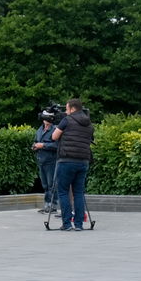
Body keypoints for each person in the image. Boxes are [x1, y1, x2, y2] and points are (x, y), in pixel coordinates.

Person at [50, 98, 94, 231]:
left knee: (63, 192)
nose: (66, 111)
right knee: (78, 192)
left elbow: (54, 136)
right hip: (83, 161)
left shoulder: (67, 120)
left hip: (67, 160)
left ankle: (67, 223)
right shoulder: (89, 123)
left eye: (67, 109)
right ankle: (79, 224)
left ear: (72, 109)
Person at [32, 105, 60, 213]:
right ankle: (47, 205)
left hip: (51, 161)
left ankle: (53, 206)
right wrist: (34, 146)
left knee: (52, 184)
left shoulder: (55, 130)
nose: (46, 121)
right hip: (41, 160)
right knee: (45, 185)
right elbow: (35, 141)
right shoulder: (39, 130)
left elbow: (56, 145)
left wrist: (43, 145)